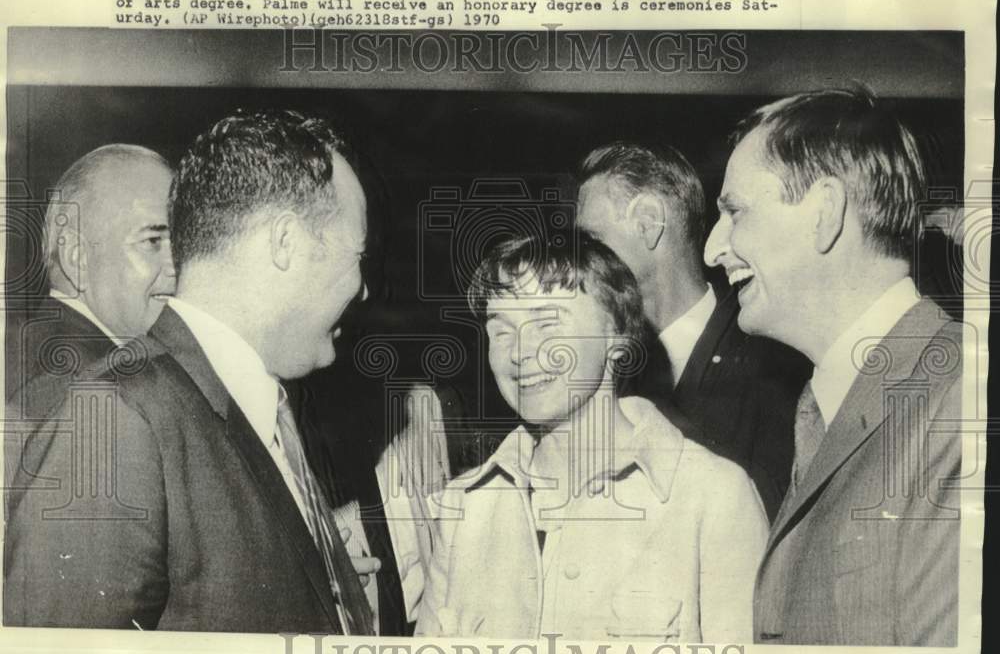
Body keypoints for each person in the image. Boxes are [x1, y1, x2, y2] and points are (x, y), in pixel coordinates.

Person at [4, 111, 380, 632]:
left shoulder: (247, 405)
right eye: (356, 254)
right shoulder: (112, 420)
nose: (364, 289)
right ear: (285, 242)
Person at [703, 88, 961, 646]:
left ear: (824, 212)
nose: (712, 249)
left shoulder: (961, 403)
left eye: (734, 212)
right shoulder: (822, 407)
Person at [416, 232, 767, 641]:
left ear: (616, 336)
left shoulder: (714, 496)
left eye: (547, 322)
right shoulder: (464, 508)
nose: (520, 352)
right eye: (501, 331)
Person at [576, 143, 811, 520]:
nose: (583, 263)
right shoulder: (602, 372)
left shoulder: (778, 358)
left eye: (593, 241)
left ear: (648, 222)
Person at [6, 144, 176, 420]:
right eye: (152, 241)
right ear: (77, 257)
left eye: (179, 242)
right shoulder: (79, 386)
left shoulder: (42, 355)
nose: (176, 265)